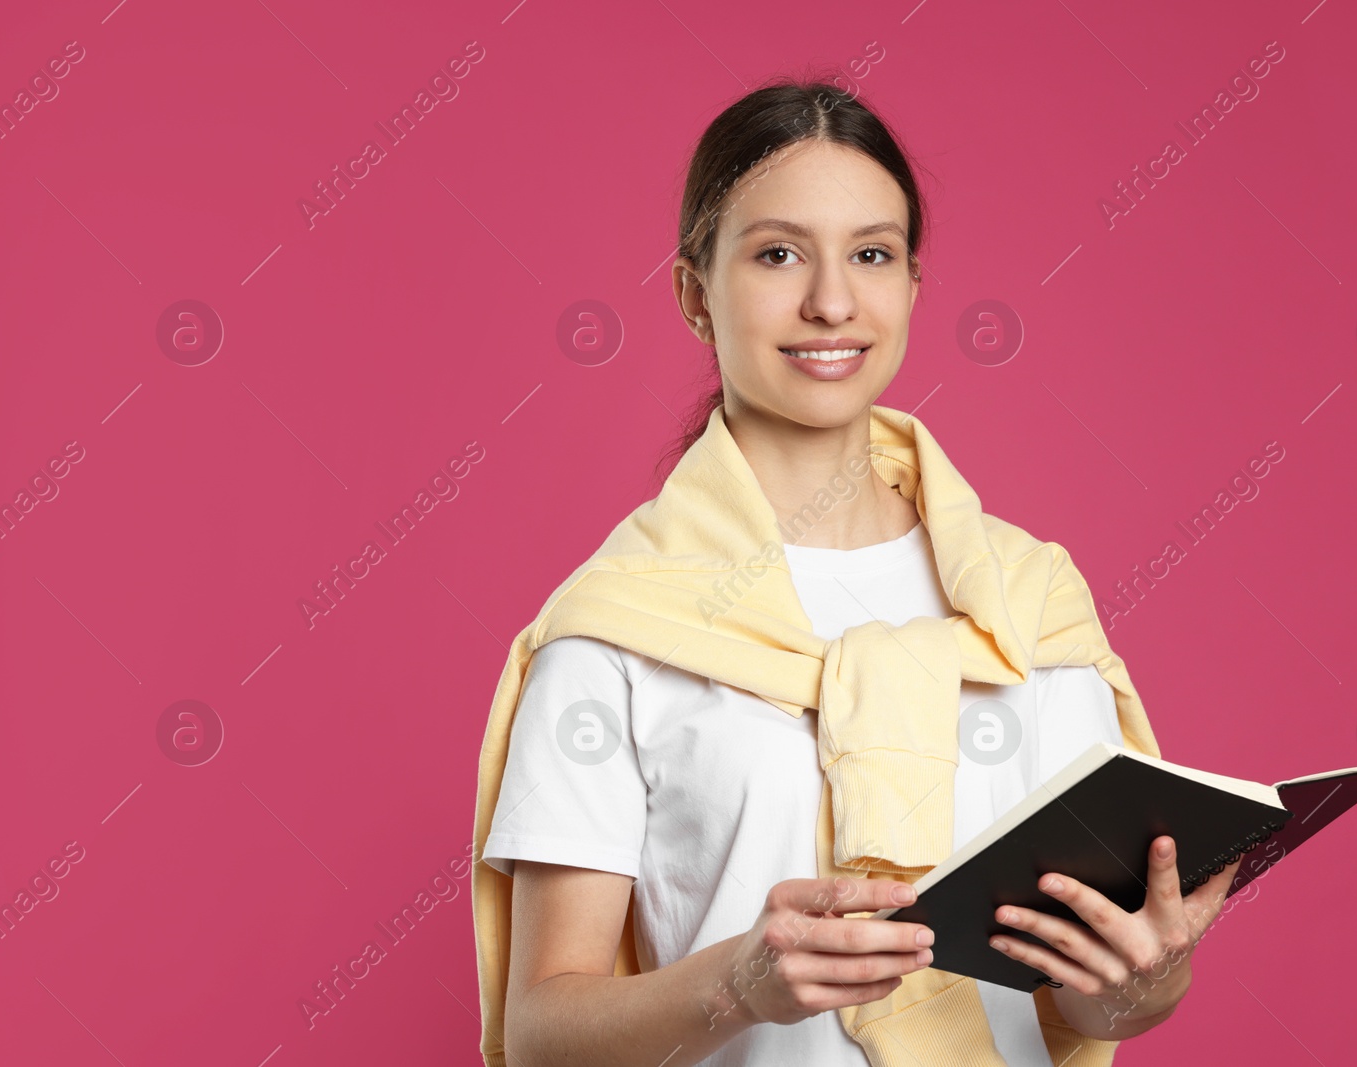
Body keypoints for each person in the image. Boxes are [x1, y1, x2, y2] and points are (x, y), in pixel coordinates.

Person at [473, 76, 1238, 1067]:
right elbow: (539, 1033)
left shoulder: (1027, 602)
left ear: (913, 284)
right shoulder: (618, 628)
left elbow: (1083, 1008)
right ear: (693, 291)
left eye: (871, 254)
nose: (831, 301)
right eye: (779, 253)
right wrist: (736, 985)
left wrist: (1146, 982)